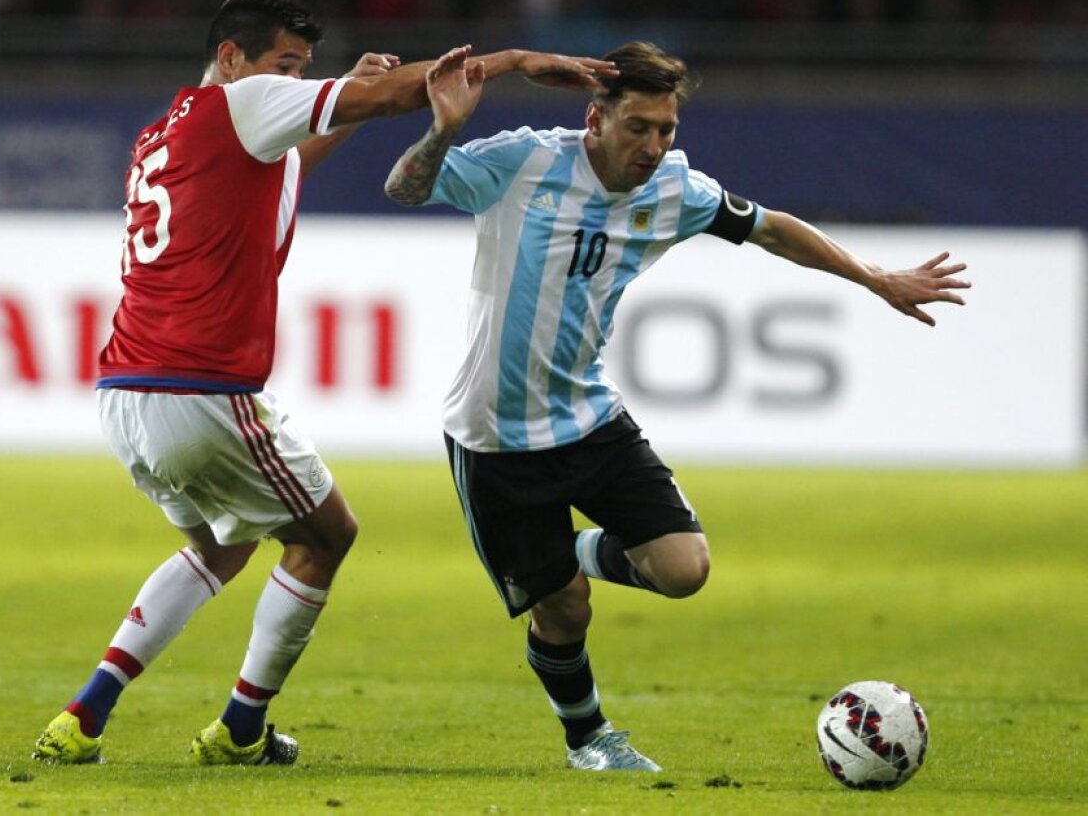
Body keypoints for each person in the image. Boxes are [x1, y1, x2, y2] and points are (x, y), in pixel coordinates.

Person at [32, 0, 614, 767]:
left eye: (305, 69)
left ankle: (84, 715)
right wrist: (510, 60)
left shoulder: (166, 133)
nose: (295, 81)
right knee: (327, 536)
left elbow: (283, 171)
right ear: (232, 58)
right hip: (205, 390)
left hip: (127, 391)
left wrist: (339, 101)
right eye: (285, 65)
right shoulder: (245, 104)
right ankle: (241, 729)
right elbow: (394, 96)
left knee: (220, 547)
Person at [384, 40, 970, 771]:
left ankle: (553, 558)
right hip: (493, 434)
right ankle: (589, 739)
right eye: (640, 128)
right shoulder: (524, 163)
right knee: (564, 610)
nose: (655, 146)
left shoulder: (675, 191)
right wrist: (442, 129)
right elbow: (405, 189)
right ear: (596, 118)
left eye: (667, 131)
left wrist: (875, 276)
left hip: (589, 418)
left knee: (684, 569)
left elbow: (772, 229)